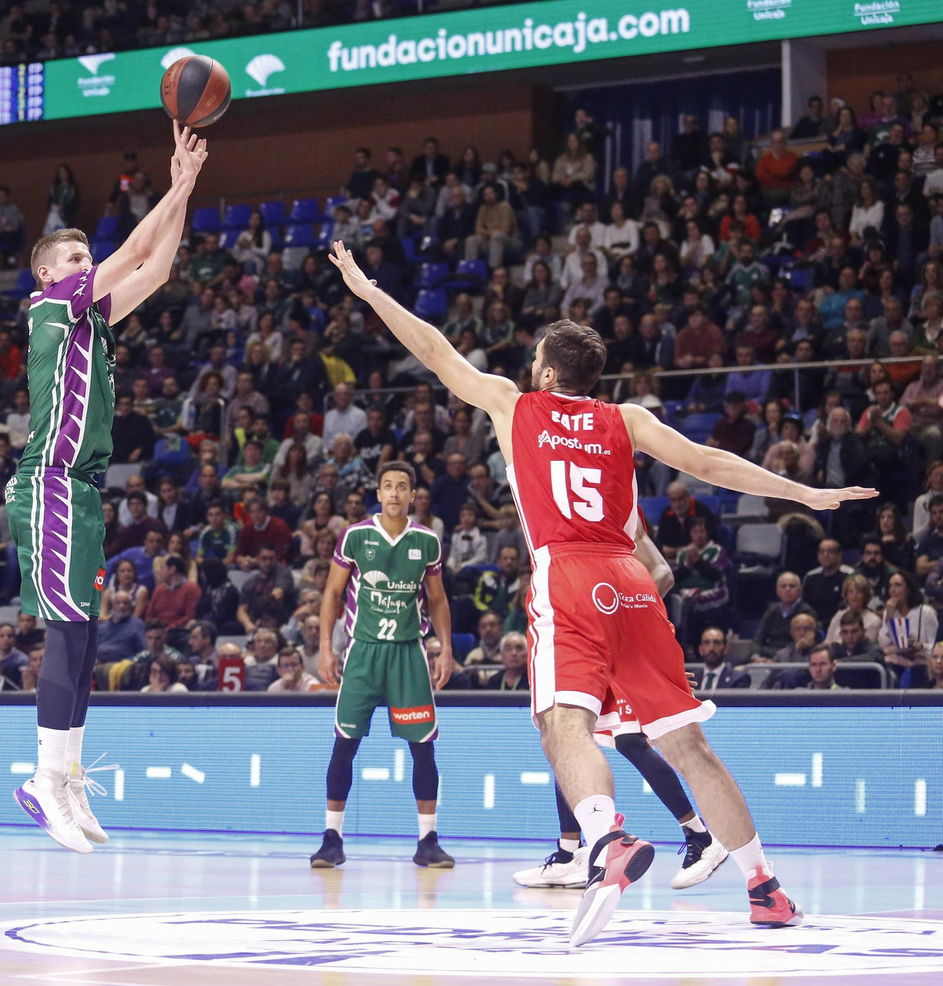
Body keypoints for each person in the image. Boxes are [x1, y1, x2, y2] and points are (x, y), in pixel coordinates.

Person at [326, 241, 872, 944]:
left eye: (535, 361)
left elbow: (434, 351)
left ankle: (605, 838)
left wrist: (370, 291)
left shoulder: (514, 405)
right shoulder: (629, 419)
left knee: (560, 723)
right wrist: (802, 491)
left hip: (569, 574)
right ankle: (764, 886)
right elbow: (708, 462)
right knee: (689, 746)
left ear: (549, 371)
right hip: (634, 581)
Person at [7, 122, 207, 856]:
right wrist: (177, 183)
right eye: (74, 256)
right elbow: (134, 253)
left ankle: (66, 775)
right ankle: (42, 777)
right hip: (51, 481)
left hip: (83, 490)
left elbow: (153, 271)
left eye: (87, 255)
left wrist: (186, 192)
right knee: (67, 630)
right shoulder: (54, 308)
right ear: (47, 275)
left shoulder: (93, 317)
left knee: (86, 636)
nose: (87, 262)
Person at [515, 529, 729, 891]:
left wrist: (633, 631)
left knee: (630, 741)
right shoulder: (566, 517)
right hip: (592, 638)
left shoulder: (615, 510)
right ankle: (570, 854)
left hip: (618, 636)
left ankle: (701, 836)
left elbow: (662, 573)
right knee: (569, 736)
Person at [310, 462, 457, 871]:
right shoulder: (356, 536)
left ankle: (428, 840)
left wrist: (445, 649)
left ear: (413, 496)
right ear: (379, 493)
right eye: (388, 486)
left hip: (408, 654)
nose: (394, 493)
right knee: (344, 746)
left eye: (402, 487)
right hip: (363, 652)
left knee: (423, 748)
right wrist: (326, 648)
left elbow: (439, 599)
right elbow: (332, 593)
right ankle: (331, 839)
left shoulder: (427, 541)